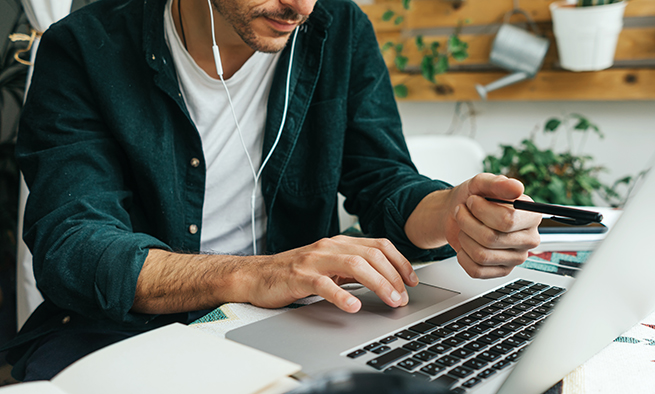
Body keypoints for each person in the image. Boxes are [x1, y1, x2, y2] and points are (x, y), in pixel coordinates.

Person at [3, 0, 541, 382]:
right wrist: (256, 274)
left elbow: (382, 180)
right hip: (122, 330)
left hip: (296, 320)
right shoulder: (83, 47)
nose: (301, 7)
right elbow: (73, 246)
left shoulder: (339, 26)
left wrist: (449, 211)